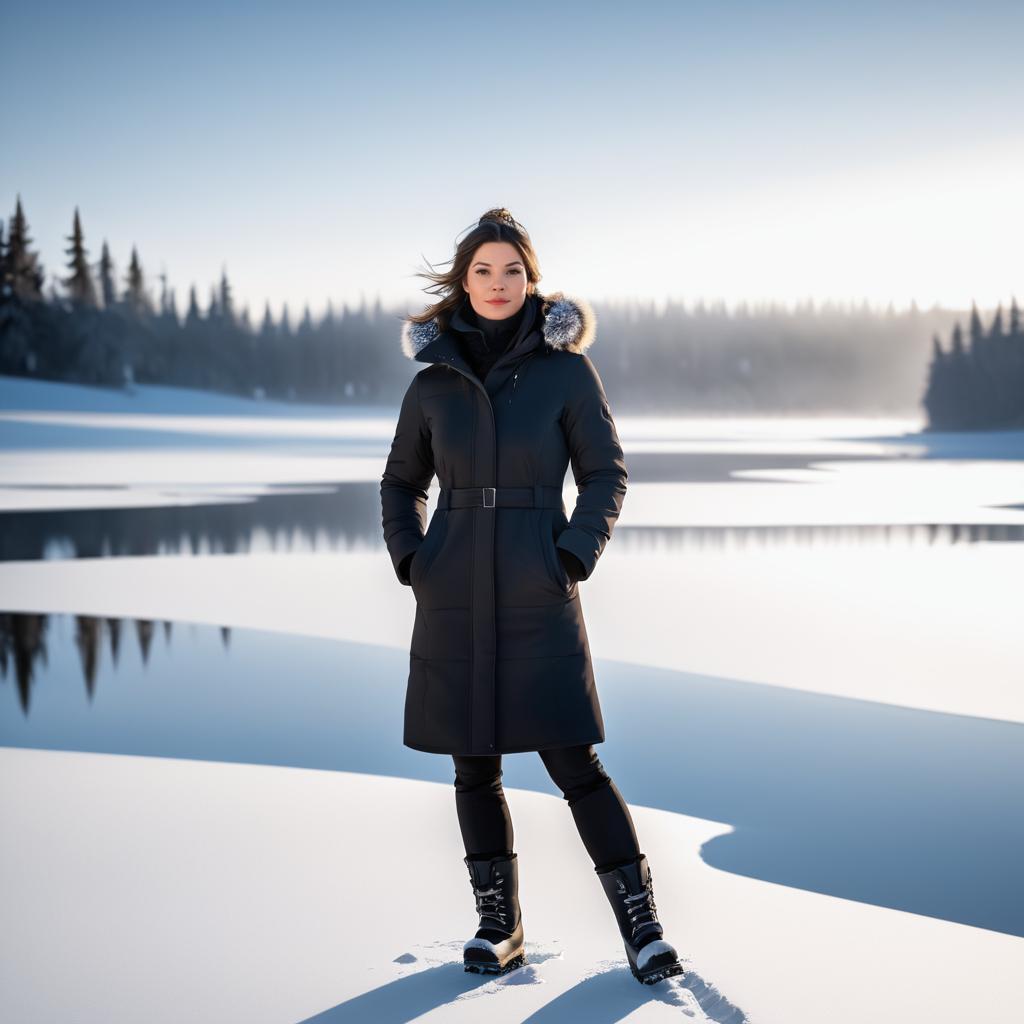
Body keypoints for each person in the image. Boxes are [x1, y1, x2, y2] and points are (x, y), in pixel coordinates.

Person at [380, 208, 683, 985]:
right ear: (463, 278)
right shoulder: (433, 383)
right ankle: (499, 926)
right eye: (482, 270)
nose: (497, 284)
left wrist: (572, 556)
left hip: (536, 585)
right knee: (472, 766)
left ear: (530, 279)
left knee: (574, 761)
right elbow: (401, 482)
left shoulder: (564, 370)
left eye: (511, 270)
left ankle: (641, 927)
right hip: (452, 591)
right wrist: (416, 561)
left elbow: (606, 473)